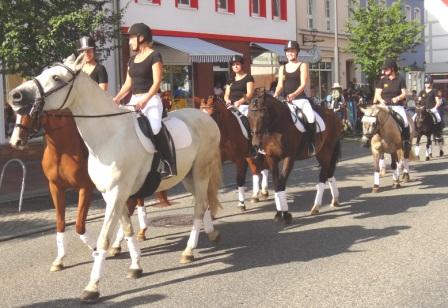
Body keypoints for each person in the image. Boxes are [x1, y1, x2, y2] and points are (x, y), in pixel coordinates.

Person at [113, 23, 176, 178]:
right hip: (134, 100)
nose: (129, 42)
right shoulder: (132, 60)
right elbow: (128, 84)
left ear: (141, 37)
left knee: (154, 127)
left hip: (151, 99)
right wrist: (116, 98)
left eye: (132, 38)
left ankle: (168, 163)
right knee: (122, 126)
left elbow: (156, 83)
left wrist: (145, 100)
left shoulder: (155, 55)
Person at [274, 40, 316, 155]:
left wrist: (293, 95)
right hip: (285, 100)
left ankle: (311, 143)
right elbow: (279, 85)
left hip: (300, 99)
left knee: (311, 117)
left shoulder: (303, 65)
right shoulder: (282, 68)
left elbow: (303, 84)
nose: (290, 53)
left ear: (297, 52)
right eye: (288, 51)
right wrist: (275, 95)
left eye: (292, 51)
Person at [375, 58, 410, 150]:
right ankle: (369, 139)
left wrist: (397, 98)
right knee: (373, 118)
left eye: (386, 69)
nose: (384, 70)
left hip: (397, 106)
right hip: (384, 106)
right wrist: (381, 101)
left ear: (392, 69)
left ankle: (406, 141)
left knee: (405, 122)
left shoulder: (400, 80)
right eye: (384, 69)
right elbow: (378, 94)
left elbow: (404, 93)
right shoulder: (382, 80)